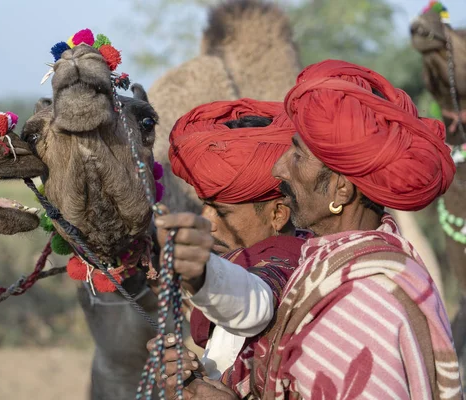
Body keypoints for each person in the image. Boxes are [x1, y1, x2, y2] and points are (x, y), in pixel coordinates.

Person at [154, 60, 462, 399]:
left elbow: (255, 302)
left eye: (297, 156)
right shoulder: (330, 272)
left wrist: (200, 273)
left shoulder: (363, 302)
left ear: (340, 191)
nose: (279, 167)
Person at [153, 98, 304, 384]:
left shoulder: (290, 262)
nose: (207, 221)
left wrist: (200, 273)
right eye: (205, 205)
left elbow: (254, 306)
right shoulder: (242, 264)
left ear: (278, 214)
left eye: (222, 210)